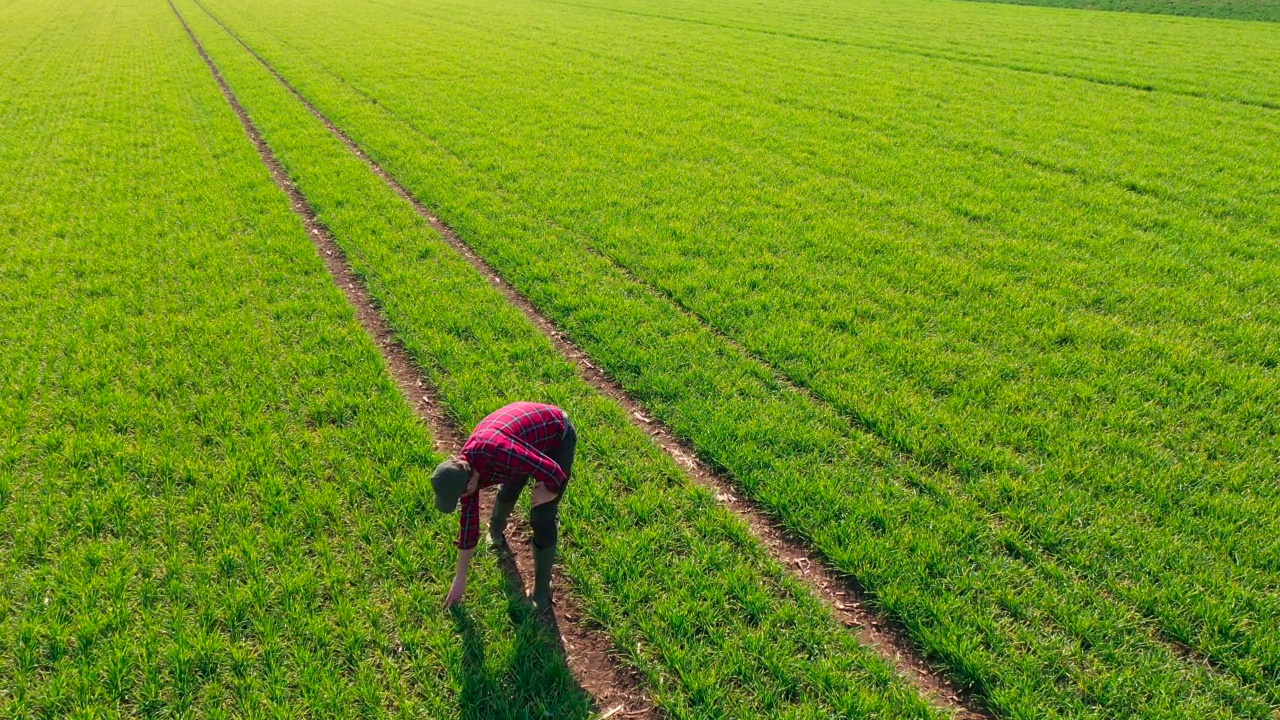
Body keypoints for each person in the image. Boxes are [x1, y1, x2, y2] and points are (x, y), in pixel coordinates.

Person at [431, 401, 576, 611]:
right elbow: (468, 524)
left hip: (555, 435)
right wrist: (460, 578)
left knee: (542, 515)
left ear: (470, 482)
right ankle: (496, 529)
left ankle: (542, 593)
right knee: (512, 482)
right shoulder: (464, 472)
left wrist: (552, 489)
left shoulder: (499, 451)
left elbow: (552, 469)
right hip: (523, 440)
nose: (462, 500)